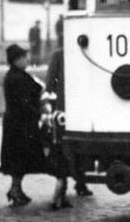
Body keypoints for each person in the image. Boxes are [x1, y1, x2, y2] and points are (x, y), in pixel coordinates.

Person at [0, 44, 46, 206]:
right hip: (19, 125)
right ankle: (15, 190)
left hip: (18, 123)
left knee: (20, 160)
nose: (27, 59)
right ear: (16, 60)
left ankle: (16, 189)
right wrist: (38, 113)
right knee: (19, 159)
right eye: (24, 57)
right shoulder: (17, 77)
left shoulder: (16, 75)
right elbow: (25, 100)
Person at [46, 48, 93, 198]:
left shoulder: (59, 55)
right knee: (78, 145)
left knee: (65, 146)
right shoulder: (84, 51)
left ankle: (67, 182)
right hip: (79, 106)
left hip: (65, 107)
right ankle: (79, 182)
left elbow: (50, 83)